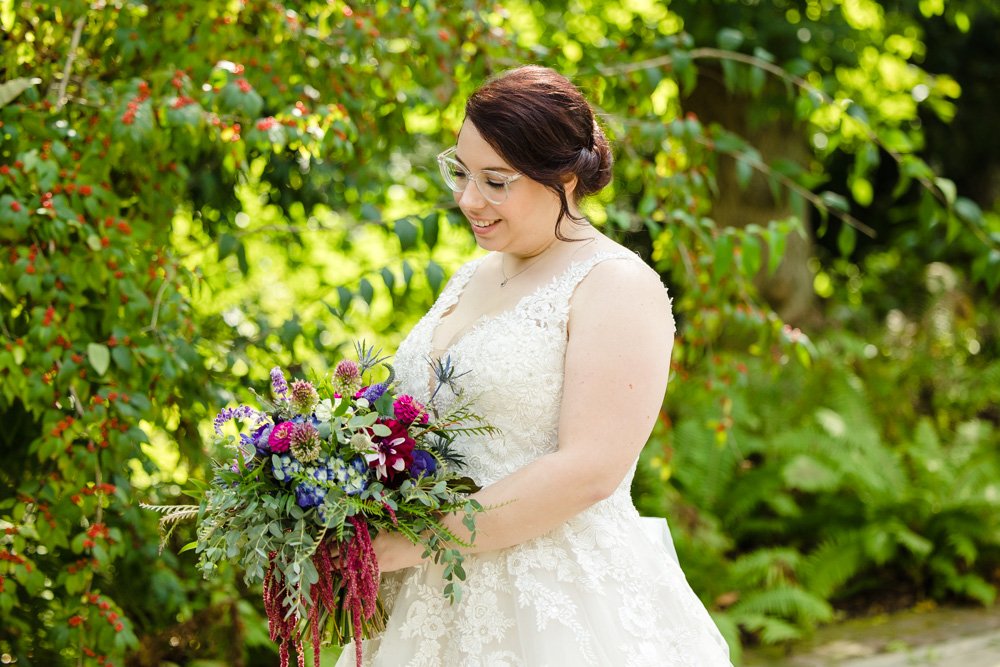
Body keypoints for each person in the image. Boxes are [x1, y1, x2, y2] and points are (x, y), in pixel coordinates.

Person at [336, 65, 733, 666]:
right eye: (462, 173)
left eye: (496, 182)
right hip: (425, 599)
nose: (469, 199)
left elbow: (590, 469)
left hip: (552, 603)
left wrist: (416, 540)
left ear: (565, 178)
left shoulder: (615, 284)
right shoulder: (470, 276)